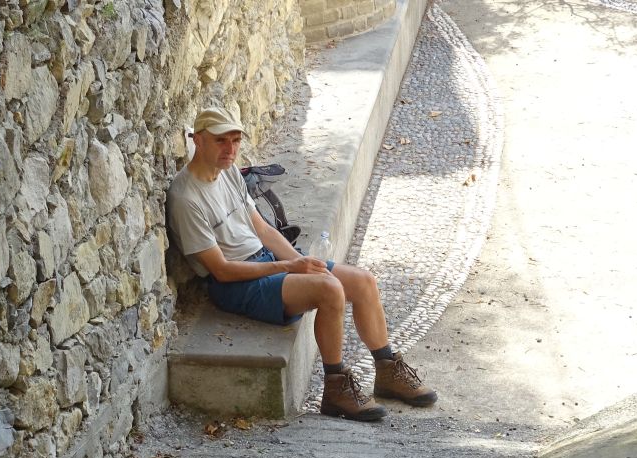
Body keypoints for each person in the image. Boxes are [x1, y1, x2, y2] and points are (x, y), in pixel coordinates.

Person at [166, 107, 436, 421]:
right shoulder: (186, 198)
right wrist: (288, 269)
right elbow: (222, 271)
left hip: (265, 264)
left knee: (363, 281)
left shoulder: (226, 171)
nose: (230, 149)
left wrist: (301, 262)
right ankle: (335, 388)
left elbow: (264, 230)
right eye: (220, 141)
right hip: (236, 285)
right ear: (197, 140)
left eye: (236, 140)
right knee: (329, 289)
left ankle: (387, 369)